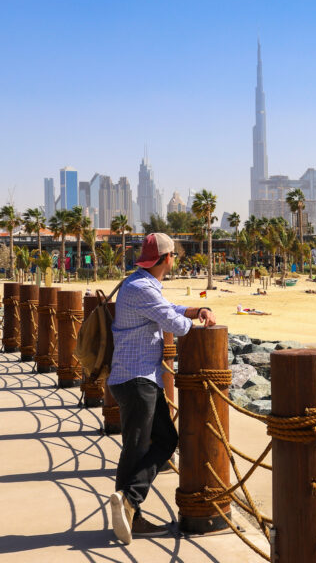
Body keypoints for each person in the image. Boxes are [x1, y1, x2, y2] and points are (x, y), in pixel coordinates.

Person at [107, 233, 216, 545]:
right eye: (174, 257)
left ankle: (129, 508)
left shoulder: (140, 283)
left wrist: (196, 310)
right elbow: (174, 324)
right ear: (168, 258)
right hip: (137, 379)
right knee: (142, 446)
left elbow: (169, 307)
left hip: (136, 378)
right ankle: (129, 503)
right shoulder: (142, 288)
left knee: (153, 442)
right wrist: (194, 323)